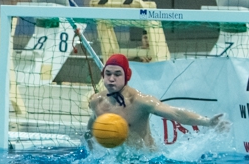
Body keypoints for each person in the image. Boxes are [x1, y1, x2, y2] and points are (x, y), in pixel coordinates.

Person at [87, 54, 227, 149]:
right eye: (108, 74)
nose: (112, 78)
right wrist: (88, 146)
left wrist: (207, 122)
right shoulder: (96, 101)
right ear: (103, 75)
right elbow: (93, 124)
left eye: (117, 74)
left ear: (127, 76)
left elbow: (175, 113)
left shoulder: (140, 101)